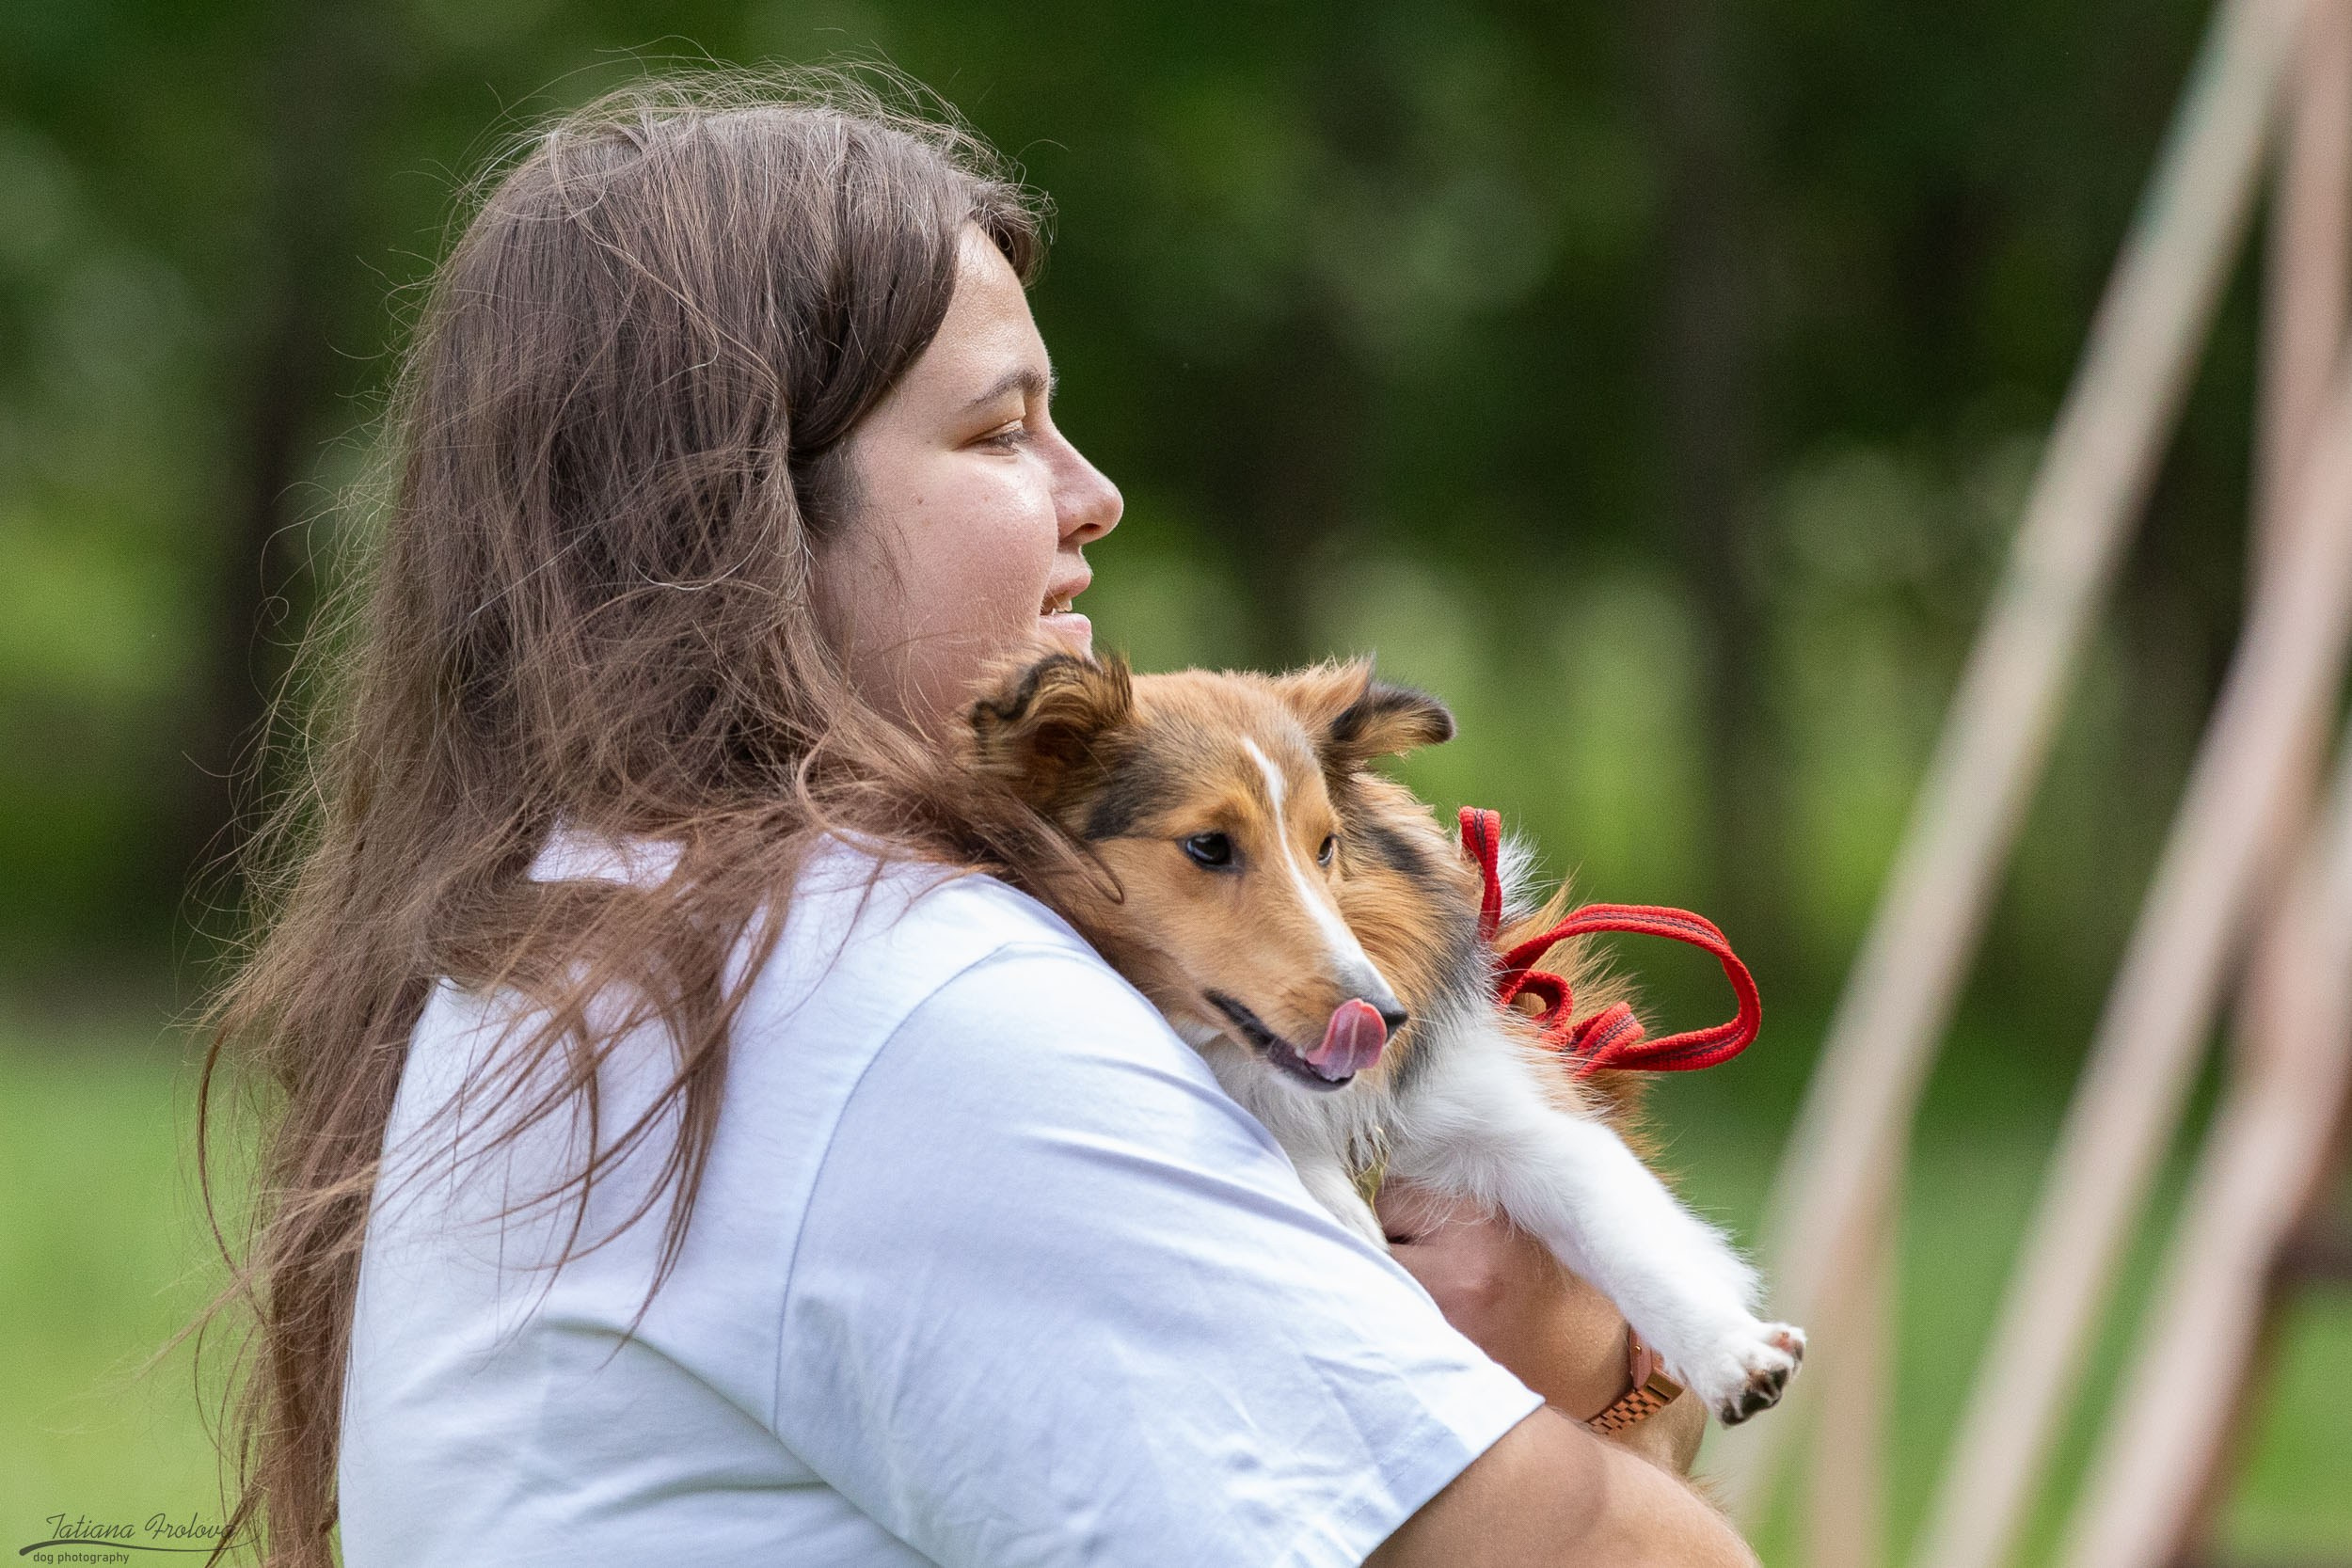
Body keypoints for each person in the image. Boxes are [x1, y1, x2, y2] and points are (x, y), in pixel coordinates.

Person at [199, 69, 1754, 1568]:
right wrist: (1608, 1374)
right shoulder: (884, 1002)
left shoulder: (599, 926)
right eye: (1000, 432)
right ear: (739, 510)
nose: (1095, 495)